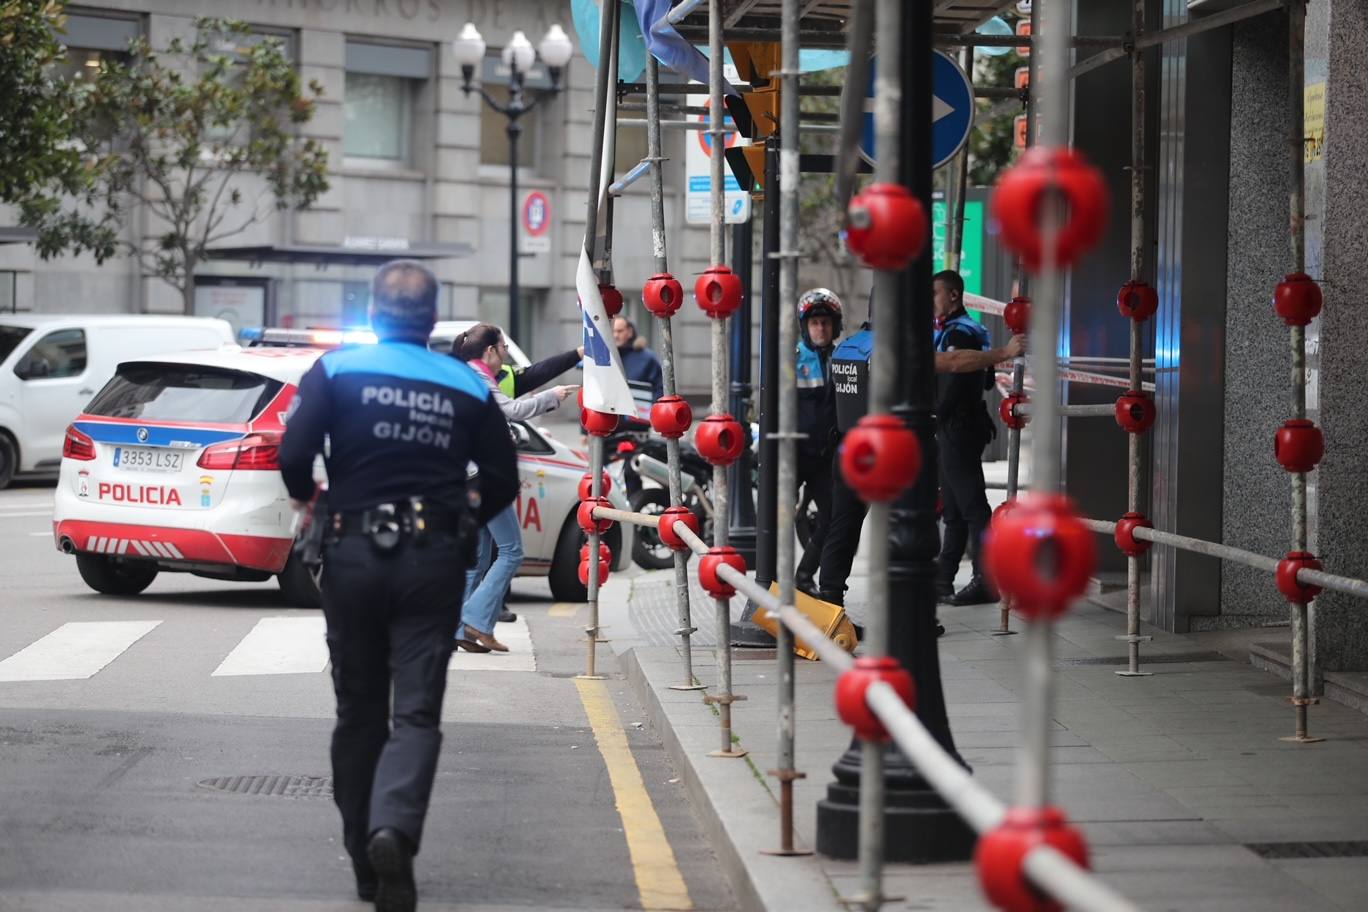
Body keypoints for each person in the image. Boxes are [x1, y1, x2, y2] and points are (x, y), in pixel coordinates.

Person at [279, 260, 519, 912]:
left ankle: (364, 858)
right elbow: (504, 477)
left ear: (375, 314)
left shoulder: (336, 371)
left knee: (358, 713)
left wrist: (309, 499)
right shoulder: (463, 383)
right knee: (414, 711)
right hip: (431, 560)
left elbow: (294, 451)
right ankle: (396, 831)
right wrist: (465, 512)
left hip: (353, 554)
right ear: (431, 317)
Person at [815, 290, 1024, 611]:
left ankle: (829, 606)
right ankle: (913, 614)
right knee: (913, 529)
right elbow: (953, 362)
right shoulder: (892, 349)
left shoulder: (845, 349)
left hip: (848, 450)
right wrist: (1003, 352)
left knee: (842, 529)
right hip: (886, 452)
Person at [453, 323, 575, 653]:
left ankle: (465, 629)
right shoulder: (477, 379)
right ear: (489, 351)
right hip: (483, 477)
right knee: (512, 551)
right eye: (504, 347)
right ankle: (475, 620)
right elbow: (512, 410)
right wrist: (552, 396)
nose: (506, 355)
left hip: (468, 477)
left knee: (478, 559)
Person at [932, 270, 999, 607]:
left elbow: (957, 385)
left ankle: (986, 579)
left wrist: (932, 415)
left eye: (936, 294)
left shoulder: (961, 332)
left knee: (973, 507)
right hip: (954, 426)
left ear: (954, 296)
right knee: (955, 510)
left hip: (958, 425)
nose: (932, 302)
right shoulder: (954, 330)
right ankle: (943, 580)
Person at [794, 288, 843, 596]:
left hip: (826, 457)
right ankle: (768, 586)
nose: (820, 328)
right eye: (814, 323)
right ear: (805, 327)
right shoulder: (792, 360)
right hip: (794, 454)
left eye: (825, 323)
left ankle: (804, 574)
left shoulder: (844, 358)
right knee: (777, 520)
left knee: (832, 517)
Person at [612, 316, 665, 403]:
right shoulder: (605, 358)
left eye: (620, 331)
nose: (615, 335)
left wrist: (649, 409)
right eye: (613, 331)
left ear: (630, 332)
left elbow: (660, 388)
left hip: (640, 414)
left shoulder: (647, 358)